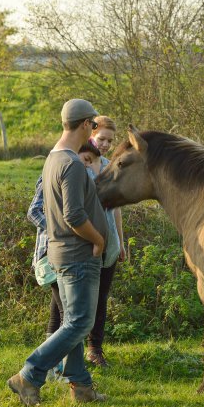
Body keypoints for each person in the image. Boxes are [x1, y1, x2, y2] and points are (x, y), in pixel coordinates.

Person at [8, 98, 109, 406]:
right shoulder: (73, 165)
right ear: (84, 125)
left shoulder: (54, 158)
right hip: (78, 254)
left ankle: (80, 386)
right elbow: (75, 216)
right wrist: (98, 240)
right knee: (80, 323)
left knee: (71, 321)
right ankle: (29, 374)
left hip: (61, 254)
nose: (93, 131)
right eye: (93, 125)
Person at [85, 115, 126, 367]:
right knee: (79, 299)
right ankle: (66, 350)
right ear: (91, 134)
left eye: (110, 141)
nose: (105, 145)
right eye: (101, 139)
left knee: (101, 298)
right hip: (85, 244)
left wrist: (121, 242)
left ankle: (95, 349)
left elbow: (117, 209)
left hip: (109, 245)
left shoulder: (112, 168)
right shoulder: (80, 163)